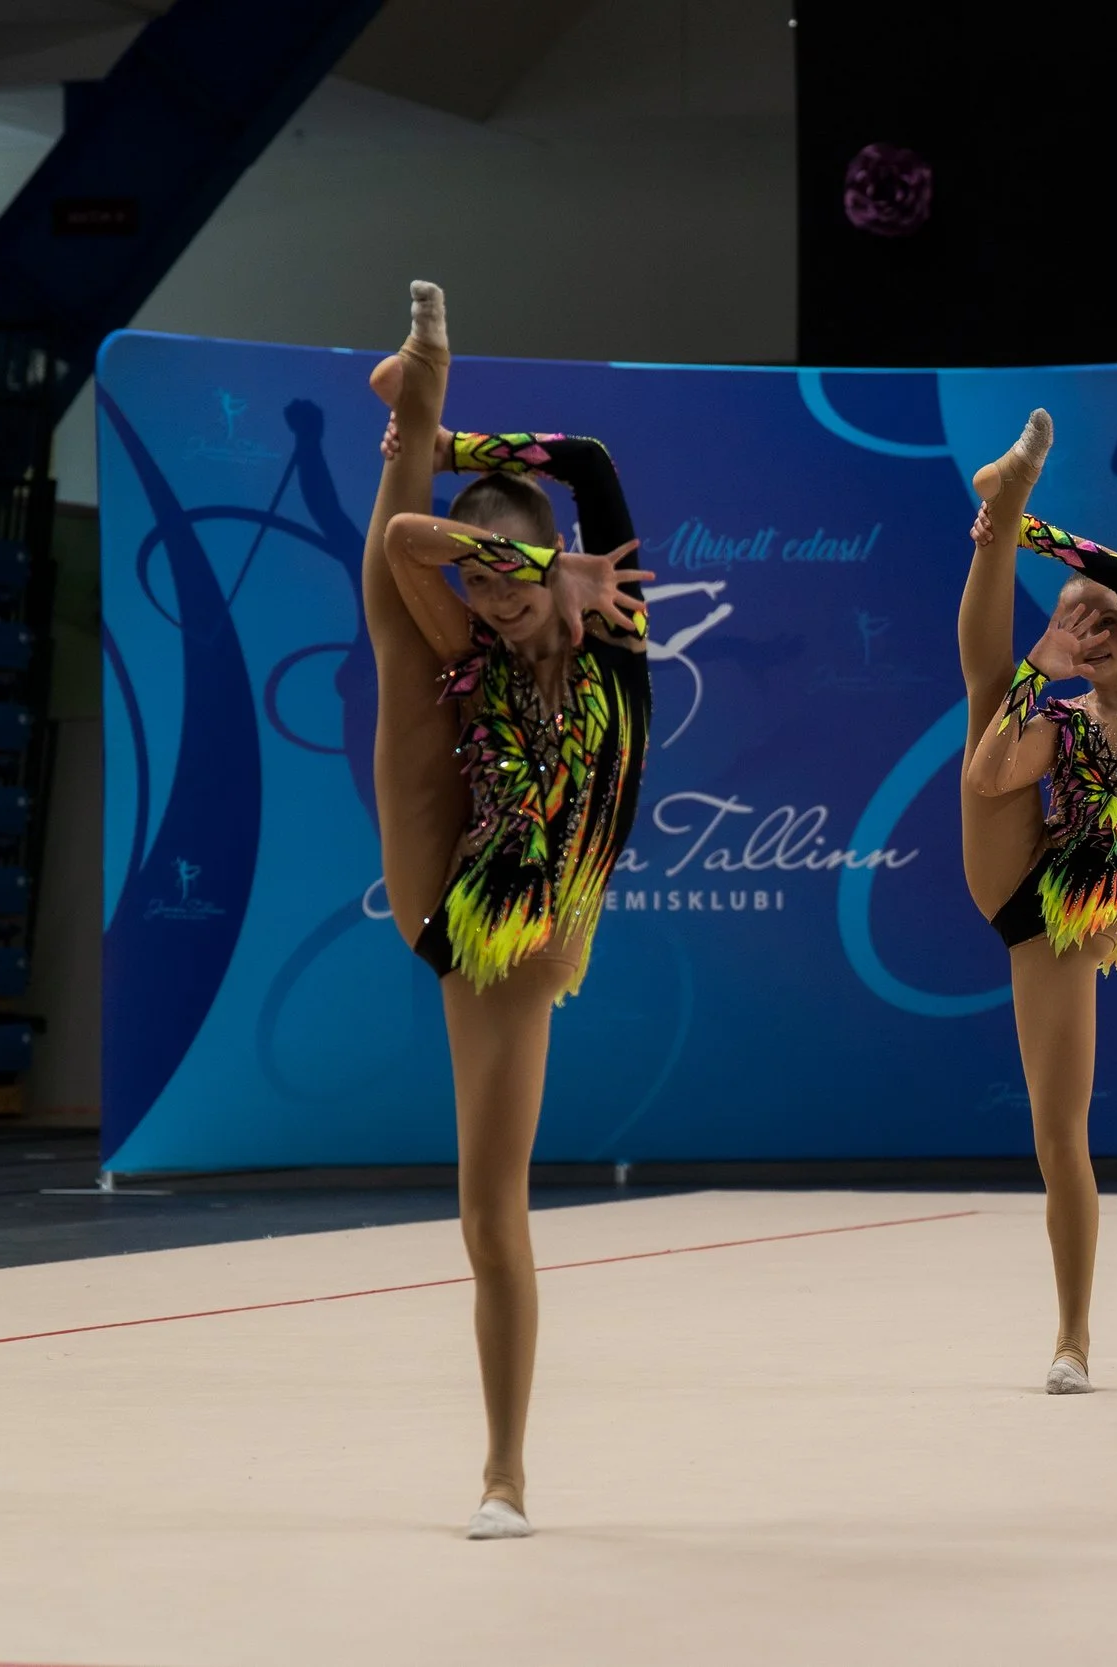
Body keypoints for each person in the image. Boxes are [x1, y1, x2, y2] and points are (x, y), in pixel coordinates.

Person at [361, 281, 653, 1537]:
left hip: (524, 925)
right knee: (396, 629)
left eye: (521, 587)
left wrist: (467, 465)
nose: (503, 606)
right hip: (458, 888)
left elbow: (587, 459)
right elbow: (404, 548)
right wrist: (510, 551)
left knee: (490, 1212)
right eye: (488, 585)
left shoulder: (618, 634)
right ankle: (419, 390)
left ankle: (504, 1470)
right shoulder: (477, 630)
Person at [956, 410, 1117, 1393]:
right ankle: (1072, 1338)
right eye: (1069, 619)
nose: (1088, 631)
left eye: (1101, 621)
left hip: (1077, 918)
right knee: (985, 690)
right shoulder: (1056, 718)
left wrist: (1024, 524)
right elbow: (983, 781)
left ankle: (1073, 1334)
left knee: (1062, 1132)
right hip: (1031, 890)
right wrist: (1034, 667)